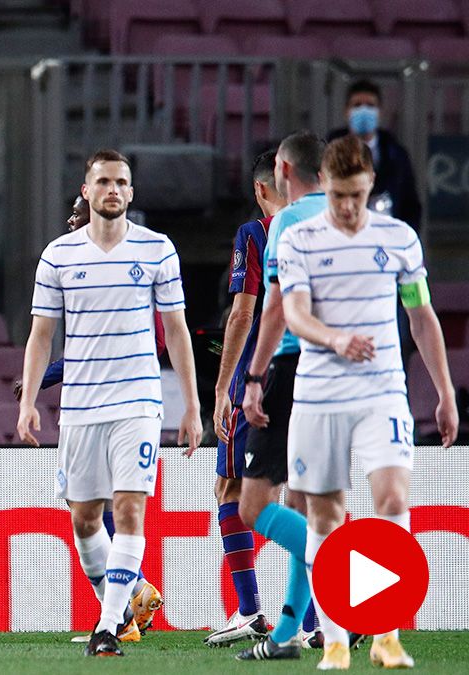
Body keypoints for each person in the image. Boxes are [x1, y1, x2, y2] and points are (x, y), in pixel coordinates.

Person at [277, 135, 458, 669]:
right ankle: (333, 640)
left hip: (383, 390)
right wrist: (334, 339)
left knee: (393, 500)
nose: (348, 207)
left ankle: (385, 634)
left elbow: (421, 317)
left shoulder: (399, 238)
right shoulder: (300, 238)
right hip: (320, 394)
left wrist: (445, 393)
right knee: (324, 518)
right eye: (338, 196)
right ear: (325, 187)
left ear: (370, 186)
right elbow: (295, 314)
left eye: (356, 195)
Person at [15, 149, 202, 657]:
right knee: (83, 517)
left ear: (132, 192)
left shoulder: (158, 249)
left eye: (121, 182)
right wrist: (29, 401)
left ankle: (105, 627)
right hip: (80, 406)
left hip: (139, 401)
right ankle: (120, 606)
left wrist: (191, 404)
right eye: (103, 181)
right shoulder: (58, 255)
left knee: (130, 508)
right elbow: (41, 336)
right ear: (86, 189)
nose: (113, 189)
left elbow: (177, 329)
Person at [13, 194, 165, 640]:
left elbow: (95, 350)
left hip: (107, 406)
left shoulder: (116, 268)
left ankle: (124, 606)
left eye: (77, 213)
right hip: (111, 403)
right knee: (93, 508)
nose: (70, 219)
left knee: (97, 507)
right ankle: (125, 607)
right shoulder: (76, 264)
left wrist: (44, 378)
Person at [236, 132, 329, 661]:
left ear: (285, 171)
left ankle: (352, 574)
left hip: (293, 368)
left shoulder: (286, 224)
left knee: (254, 506)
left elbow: (273, 308)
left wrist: (252, 379)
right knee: (301, 501)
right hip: (341, 372)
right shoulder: (351, 218)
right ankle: (288, 633)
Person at [204, 150, 287, 646]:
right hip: (312, 376)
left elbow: (241, 314)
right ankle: (320, 617)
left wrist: (221, 387)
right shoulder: (328, 231)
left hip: (258, 375)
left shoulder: (256, 234)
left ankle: (252, 609)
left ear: (261, 188)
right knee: (305, 497)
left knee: (232, 490)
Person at [326, 80, 421, 230]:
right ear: (346, 111)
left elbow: (410, 204)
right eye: (357, 105)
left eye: (370, 106)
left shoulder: (396, 154)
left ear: (380, 112)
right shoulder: (328, 150)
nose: (364, 111)